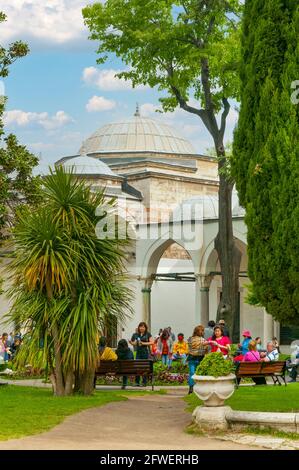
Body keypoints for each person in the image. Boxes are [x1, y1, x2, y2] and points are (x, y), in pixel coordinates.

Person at [187, 325, 209, 394]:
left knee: (192, 373)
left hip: (192, 358)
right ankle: (196, 388)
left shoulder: (190, 339)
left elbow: (190, 347)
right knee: (198, 373)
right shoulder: (203, 340)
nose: (203, 332)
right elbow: (206, 349)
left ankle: (191, 388)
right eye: (202, 331)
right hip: (200, 358)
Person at [130, 322, 153, 386]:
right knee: (137, 367)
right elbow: (135, 343)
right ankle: (137, 382)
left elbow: (152, 342)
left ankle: (144, 382)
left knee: (144, 367)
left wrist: (143, 343)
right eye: (140, 327)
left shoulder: (148, 334)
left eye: (143, 327)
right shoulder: (137, 334)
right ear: (138, 327)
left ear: (145, 328)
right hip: (138, 352)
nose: (142, 328)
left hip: (145, 352)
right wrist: (131, 343)